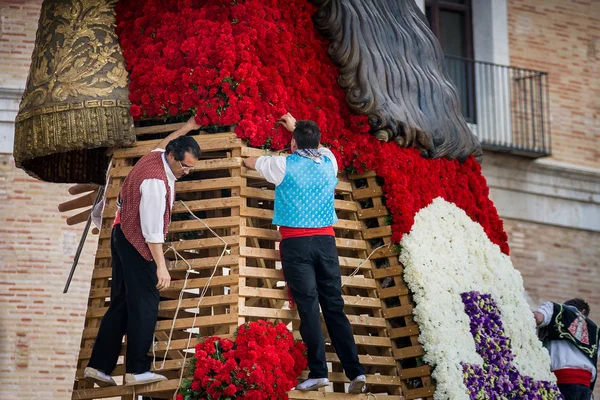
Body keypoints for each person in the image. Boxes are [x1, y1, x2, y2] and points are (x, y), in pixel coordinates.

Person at [243, 113, 367, 393]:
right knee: (334, 307)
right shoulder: (329, 161)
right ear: (318, 142)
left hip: (296, 243)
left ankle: (319, 373)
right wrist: (298, 128)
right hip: (326, 243)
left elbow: (251, 162)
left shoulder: (283, 164)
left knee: (309, 309)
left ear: (293, 143)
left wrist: (284, 141)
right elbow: (317, 145)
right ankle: (356, 372)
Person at [84, 117, 201, 387]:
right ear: (172, 157)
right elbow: (151, 230)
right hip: (136, 240)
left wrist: (187, 127)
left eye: (190, 168)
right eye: (184, 166)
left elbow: (163, 143)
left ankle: (99, 366)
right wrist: (160, 266)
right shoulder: (155, 182)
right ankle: (137, 368)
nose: (186, 171)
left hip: (121, 234)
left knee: (122, 302)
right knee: (146, 304)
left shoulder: (158, 156)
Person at [534, 298, 598, 400]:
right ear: (583, 312)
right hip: (585, 389)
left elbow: (537, 317)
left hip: (562, 383)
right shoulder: (595, 331)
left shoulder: (555, 309)